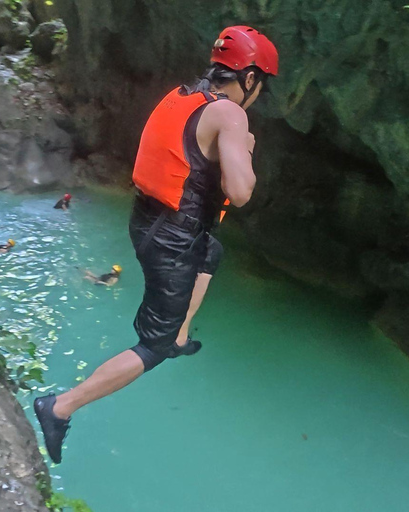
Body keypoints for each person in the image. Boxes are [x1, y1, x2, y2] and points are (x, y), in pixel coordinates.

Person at [34, 26, 278, 464]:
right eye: (262, 84)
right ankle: (59, 407)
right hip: (172, 239)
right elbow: (240, 192)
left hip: (149, 222)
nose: (259, 94)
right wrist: (247, 149)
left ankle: (180, 331)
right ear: (249, 78)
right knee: (153, 348)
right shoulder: (231, 115)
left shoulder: (183, 95)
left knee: (213, 251)